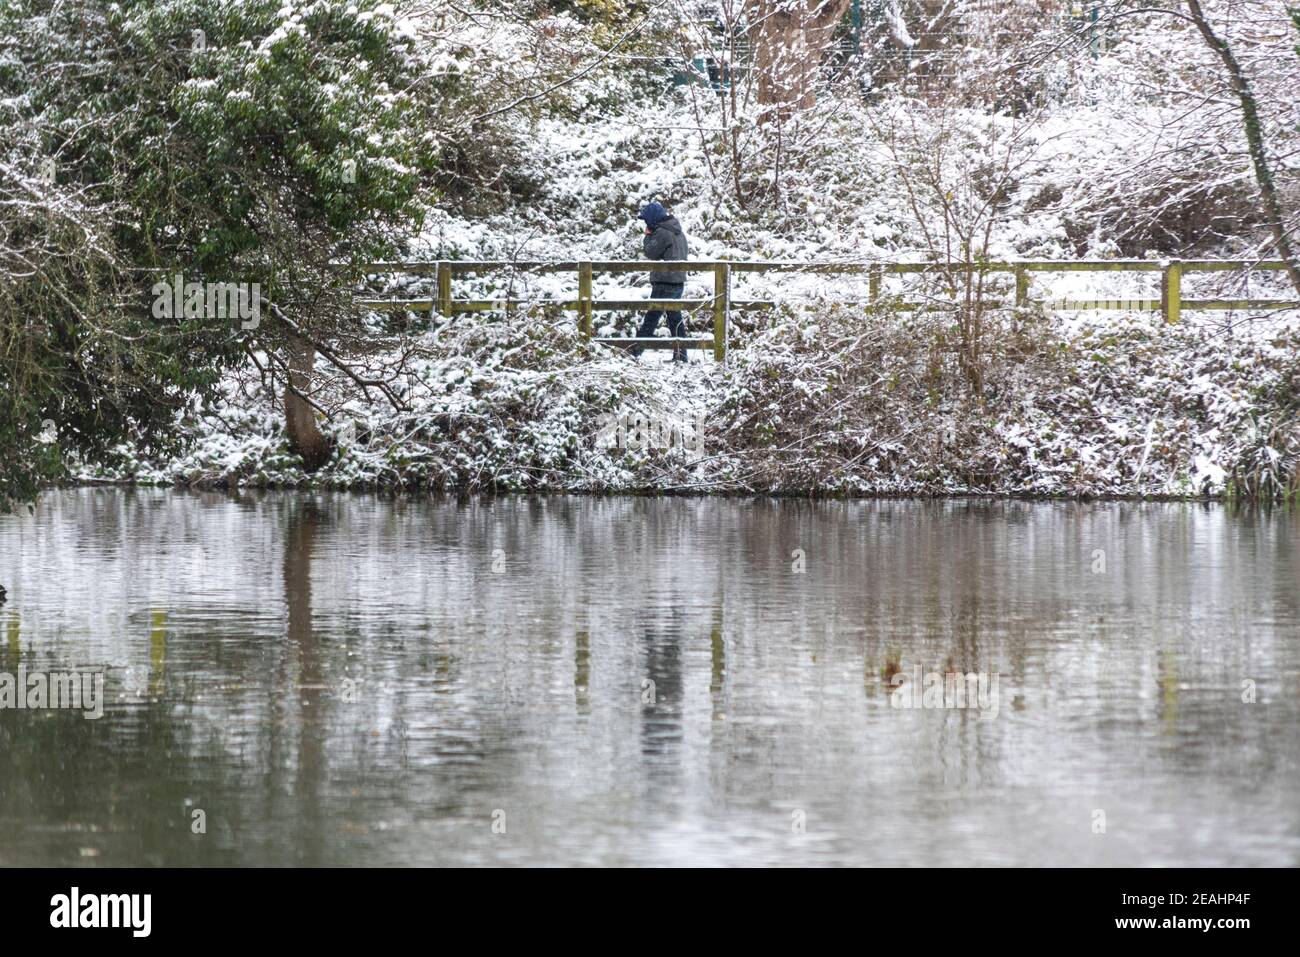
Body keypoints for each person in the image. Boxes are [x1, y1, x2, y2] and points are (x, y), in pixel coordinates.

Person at [634, 202, 690, 362]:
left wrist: (648, 235)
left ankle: (634, 353)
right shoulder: (678, 231)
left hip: (664, 281)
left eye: (646, 220)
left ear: (652, 219)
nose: (646, 223)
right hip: (678, 281)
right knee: (675, 318)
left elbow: (650, 252)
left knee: (651, 317)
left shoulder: (662, 232)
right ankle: (681, 355)